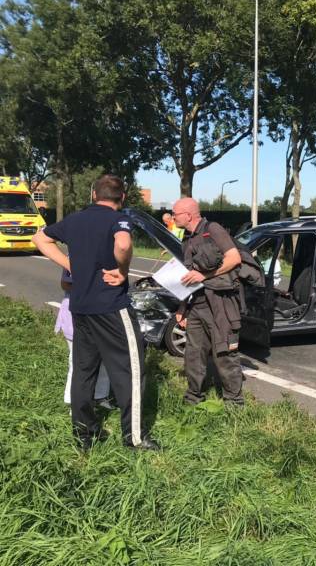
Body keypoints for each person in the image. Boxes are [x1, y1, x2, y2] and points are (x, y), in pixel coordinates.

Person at [32, 174, 159, 451]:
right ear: (122, 198)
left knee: (83, 371)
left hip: (81, 307)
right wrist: (123, 270)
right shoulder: (118, 219)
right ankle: (134, 438)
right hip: (111, 306)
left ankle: (84, 435)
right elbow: (123, 244)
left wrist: (69, 263)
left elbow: (39, 238)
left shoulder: (75, 220)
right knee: (131, 370)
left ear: (93, 195)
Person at [172, 197, 244, 406]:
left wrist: (206, 275)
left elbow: (234, 258)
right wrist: (182, 307)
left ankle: (235, 405)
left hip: (220, 303)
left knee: (224, 354)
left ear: (188, 215)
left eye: (175, 213)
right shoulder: (187, 238)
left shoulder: (213, 229)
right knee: (193, 355)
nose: (173, 216)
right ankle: (194, 398)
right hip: (197, 305)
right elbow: (188, 276)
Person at [55, 267, 112, 408]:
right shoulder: (73, 255)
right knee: (77, 361)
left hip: (103, 314)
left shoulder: (107, 253)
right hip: (76, 313)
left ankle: (100, 396)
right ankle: (73, 401)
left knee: (105, 359)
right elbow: (65, 284)